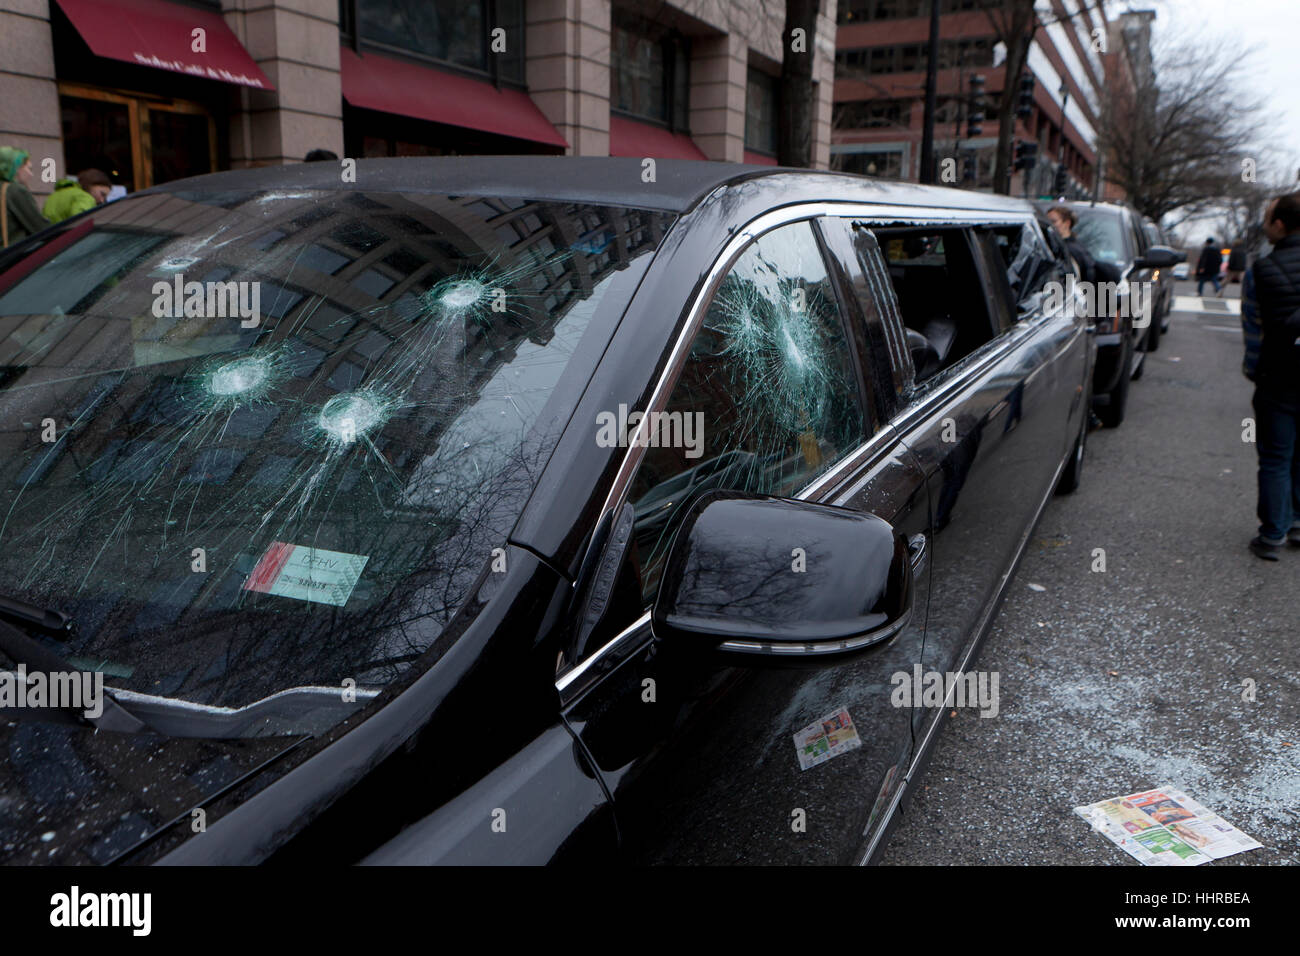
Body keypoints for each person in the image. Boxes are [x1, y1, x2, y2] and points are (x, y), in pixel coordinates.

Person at [1243, 191, 1300, 560]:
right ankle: (1296, 522)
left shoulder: (1261, 270)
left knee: (1276, 457)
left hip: (1279, 376)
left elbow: (1254, 330)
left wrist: (1254, 371)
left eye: (1267, 219)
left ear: (1280, 225)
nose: (1264, 226)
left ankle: (1272, 534)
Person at [0, 146, 49, 248]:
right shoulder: (14, 190)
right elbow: (42, 229)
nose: (31, 174)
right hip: (12, 259)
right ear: (16, 167)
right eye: (28, 168)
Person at [1046, 205, 1096, 283]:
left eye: (1053, 221)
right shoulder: (1051, 247)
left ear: (1067, 223)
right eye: (1047, 221)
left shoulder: (1072, 251)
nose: (1049, 225)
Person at [42, 168, 111, 223]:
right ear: (91, 185)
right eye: (102, 194)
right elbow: (80, 223)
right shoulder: (85, 197)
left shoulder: (58, 193)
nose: (102, 200)